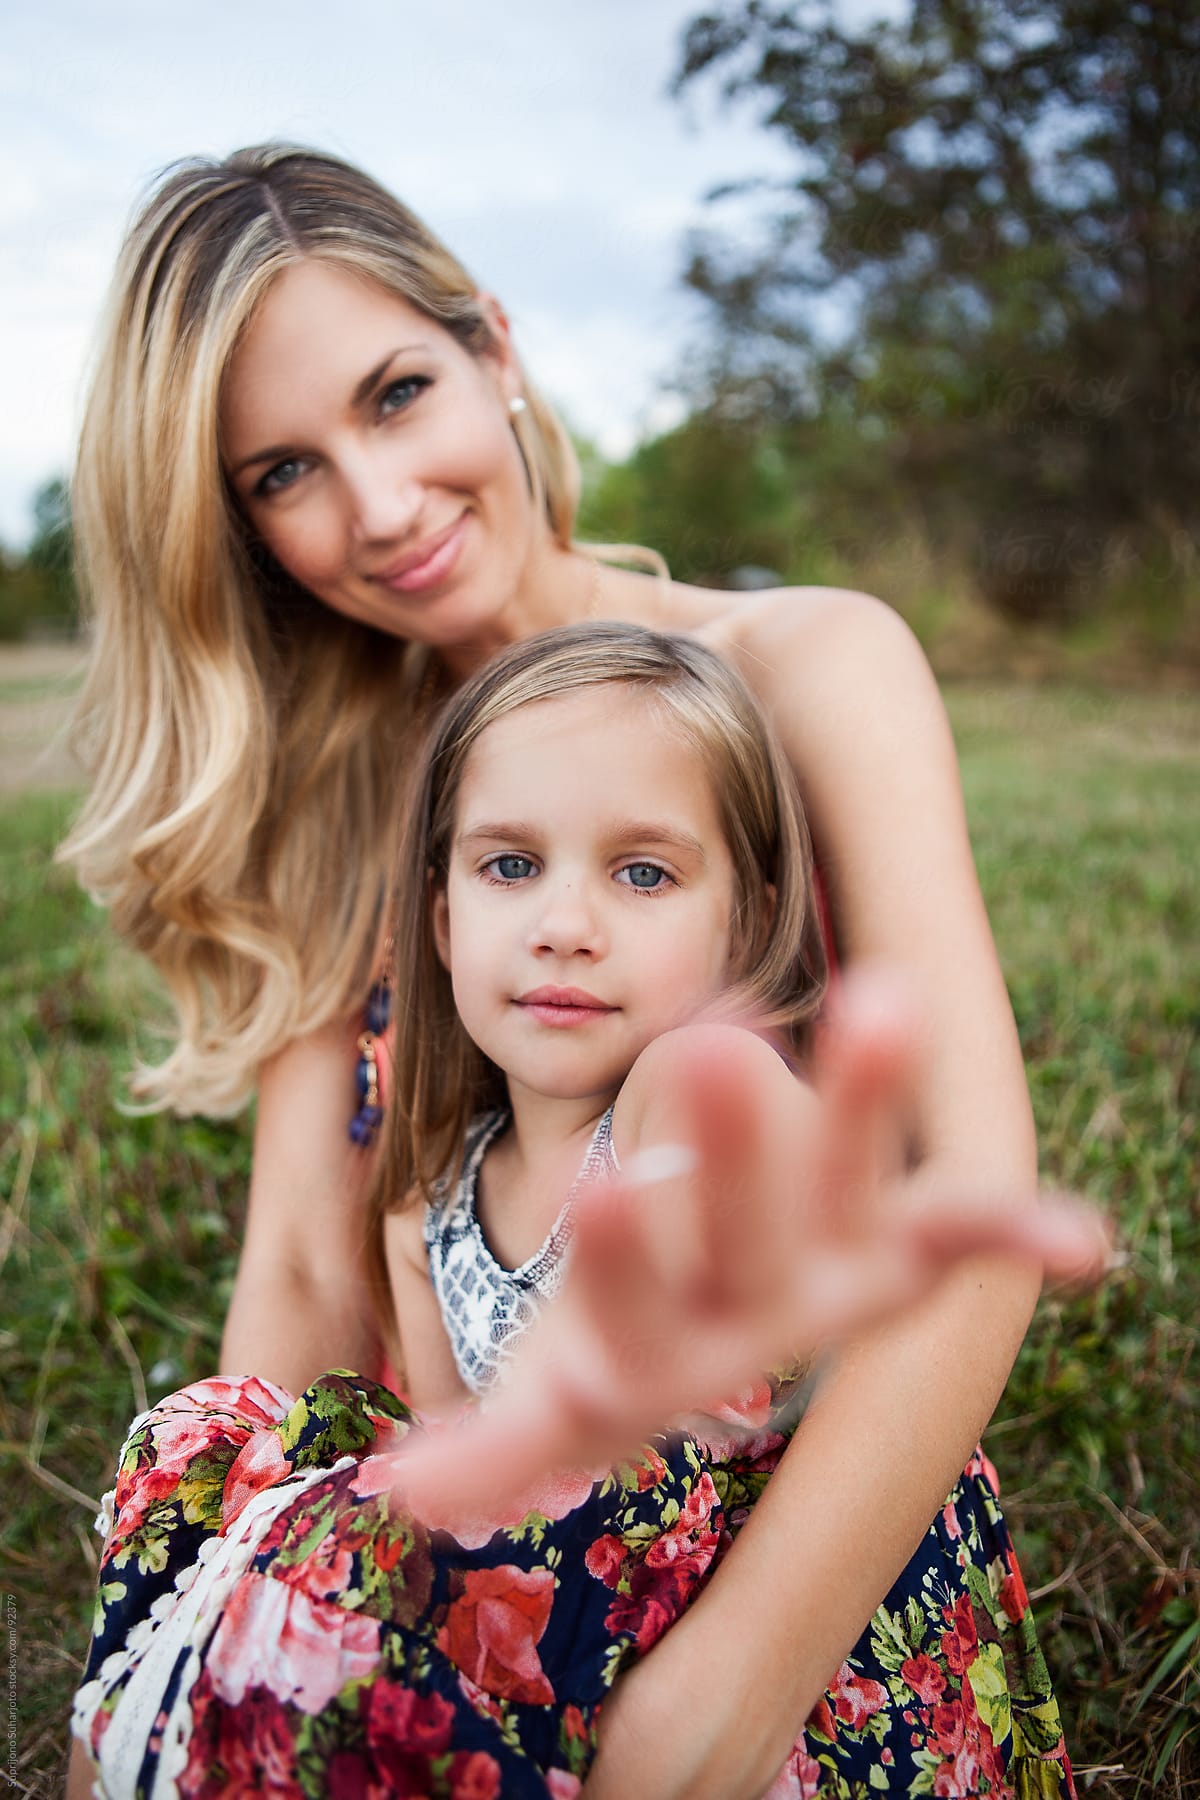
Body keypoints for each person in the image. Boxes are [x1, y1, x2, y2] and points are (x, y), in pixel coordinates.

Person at [59, 143, 1082, 1795]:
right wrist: (248, 1605)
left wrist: (726, 1696)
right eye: (282, 473)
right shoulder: (339, 801)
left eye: (398, 394)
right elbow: (311, 1282)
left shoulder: (803, 669)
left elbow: (966, 1205)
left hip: (779, 1539)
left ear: (498, 351)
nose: (377, 506)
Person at [70, 625, 1097, 1797]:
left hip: (780, 1645)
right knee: (200, 1454)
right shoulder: (425, 1211)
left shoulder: (688, 1091)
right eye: (511, 866)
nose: (565, 922)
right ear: (443, 921)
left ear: (743, 920)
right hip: (567, 1629)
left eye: (643, 873)